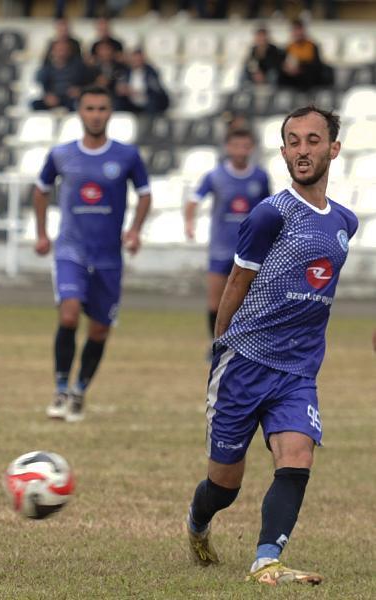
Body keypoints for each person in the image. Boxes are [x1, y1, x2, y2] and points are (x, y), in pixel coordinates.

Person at [185, 106, 357, 586]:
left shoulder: (346, 222)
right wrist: (221, 344)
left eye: (313, 140)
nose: (303, 150)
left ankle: (267, 561)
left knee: (298, 455)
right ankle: (197, 521)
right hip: (244, 362)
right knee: (225, 485)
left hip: (297, 370)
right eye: (293, 141)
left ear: (333, 149)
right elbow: (236, 283)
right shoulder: (269, 215)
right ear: (282, 152)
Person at [34, 86, 152, 422]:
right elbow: (41, 190)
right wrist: (42, 233)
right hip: (71, 250)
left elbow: (144, 194)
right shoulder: (61, 154)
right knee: (69, 315)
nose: (96, 115)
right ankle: (60, 389)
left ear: (110, 113)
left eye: (102, 108)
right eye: (90, 108)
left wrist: (134, 230)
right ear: (80, 112)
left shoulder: (127, 156)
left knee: (99, 330)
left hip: (108, 256)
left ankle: (79, 391)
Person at [184, 129, 270, 342]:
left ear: (252, 148)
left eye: (245, 146)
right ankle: (215, 345)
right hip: (221, 249)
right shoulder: (215, 176)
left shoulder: (260, 177)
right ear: (227, 148)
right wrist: (189, 223)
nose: (241, 151)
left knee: (246, 303)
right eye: (236, 146)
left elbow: (268, 209)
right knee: (216, 303)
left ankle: (242, 345)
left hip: (249, 250)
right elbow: (194, 200)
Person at [32, 39, 96, 112]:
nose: (61, 52)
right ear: (52, 51)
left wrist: (80, 90)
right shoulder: (46, 68)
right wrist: (47, 95)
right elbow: (39, 84)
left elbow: (90, 83)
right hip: (53, 97)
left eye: (64, 49)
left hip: (72, 98)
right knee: (35, 104)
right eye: (58, 50)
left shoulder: (79, 66)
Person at [113, 48, 169, 115]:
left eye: (138, 59)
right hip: (130, 101)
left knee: (154, 101)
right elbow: (119, 85)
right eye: (134, 59)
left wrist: (139, 91)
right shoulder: (126, 71)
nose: (136, 62)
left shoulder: (151, 72)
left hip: (147, 100)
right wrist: (124, 90)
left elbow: (156, 88)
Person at [279, 19, 329, 92]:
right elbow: (284, 63)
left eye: (299, 30)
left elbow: (317, 65)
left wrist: (300, 68)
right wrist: (287, 68)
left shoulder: (311, 46)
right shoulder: (289, 47)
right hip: (292, 77)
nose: (298, 33)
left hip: (307, 78)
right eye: (295, 30)